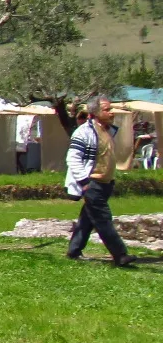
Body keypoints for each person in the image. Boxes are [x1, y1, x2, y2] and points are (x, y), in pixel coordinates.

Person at [65, 96, 135, 266]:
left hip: (105, 183)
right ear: (95, 112)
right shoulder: (84, 132)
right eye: (106, 109)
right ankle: (120, 254)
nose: (111, 113)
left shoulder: (109, 130)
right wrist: (84, 182)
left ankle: (74, 251)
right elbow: (73, 158)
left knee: (88, 219)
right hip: (92, 183)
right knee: (103, 218)